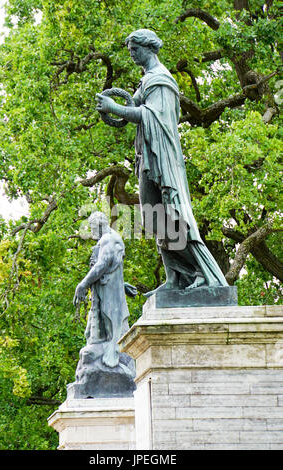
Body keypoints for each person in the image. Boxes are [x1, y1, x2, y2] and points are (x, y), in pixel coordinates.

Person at [95, 29, 228, 296]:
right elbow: (138, 110)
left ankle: (205, 274)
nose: (131, 55)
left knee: (175, 216)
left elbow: (153, 117)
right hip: (147, 158)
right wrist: (121, 110)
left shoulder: (161, 80)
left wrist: (114, 108)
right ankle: (175, 277)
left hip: (163, 158)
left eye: (135, 49)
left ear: (148, 48)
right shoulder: (146, 81)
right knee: (154, 218)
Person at [73, 211, 134, 368]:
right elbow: (113, 269)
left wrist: (83, 284)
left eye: (93, 228)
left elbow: (102, 265)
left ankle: (116, 366)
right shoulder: (110, 238)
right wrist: (122, 284)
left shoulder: (109, 239)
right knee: (97, 334)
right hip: (106, 293)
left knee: (115, 333)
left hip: (109, 298)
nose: (92, 232)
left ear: (100, 225)